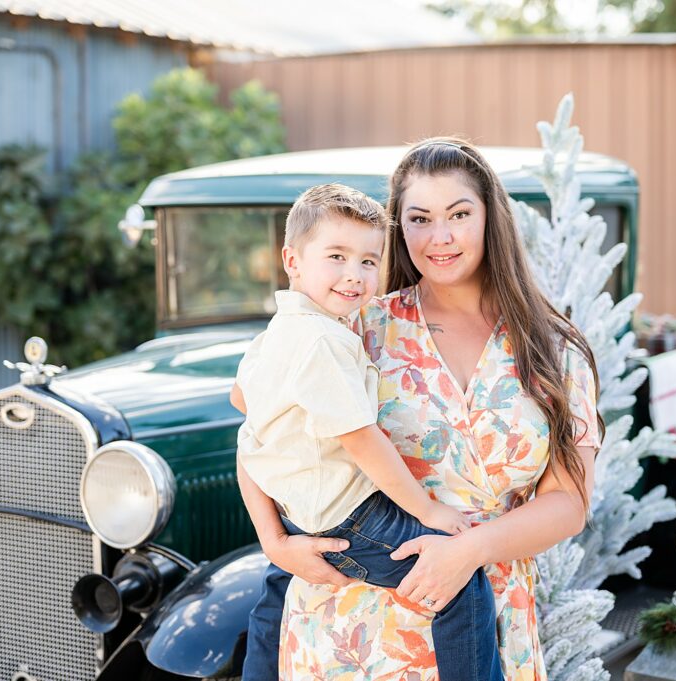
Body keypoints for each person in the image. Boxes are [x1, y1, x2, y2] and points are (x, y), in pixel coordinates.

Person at [241, 138, 604, 680]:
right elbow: (260, 429)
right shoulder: (356, 326)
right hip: (354, 630)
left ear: (490, 218)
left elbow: (568, 504)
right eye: (419, 218)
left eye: (459, 214)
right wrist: (274, 541)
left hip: (487, 623)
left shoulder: (552, 348)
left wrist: (467, 552)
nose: (441, 237)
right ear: (398, 229)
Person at [233, 183, 506, 681]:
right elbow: (360, 439)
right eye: (336, 256)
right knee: (459, 582)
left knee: (275, 589)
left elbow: (242, 407)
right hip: (350, 513)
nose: (354, 275)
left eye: (367, 260)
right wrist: (427, 510)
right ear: (292, 260)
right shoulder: (324, 341)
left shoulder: (279, 333)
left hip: (302, 513)